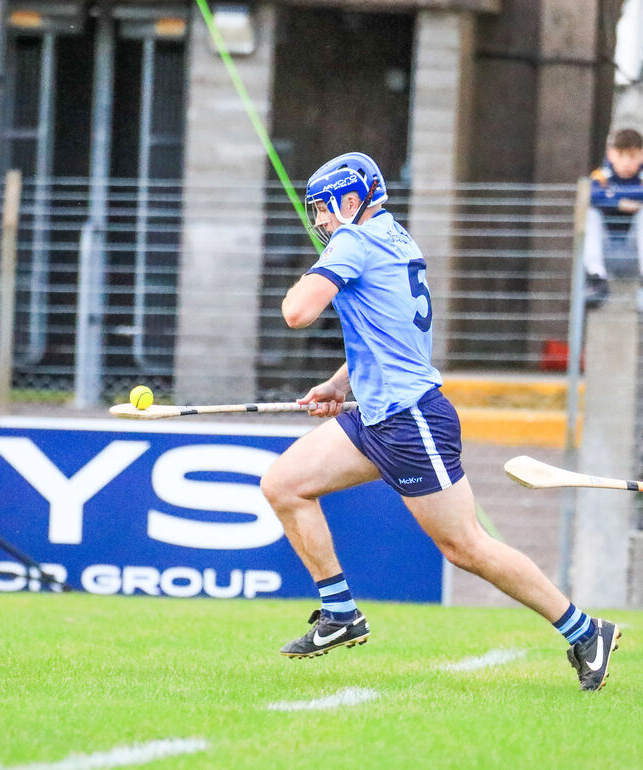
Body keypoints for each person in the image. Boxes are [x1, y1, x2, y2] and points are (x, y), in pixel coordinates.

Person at [259, 151, 620, 691]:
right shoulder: (392, 235)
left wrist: (315, 270)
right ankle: (340, 615)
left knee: (466, 547)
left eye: (324, 209)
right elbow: (385, 332)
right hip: (376, 415)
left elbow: (296, 313)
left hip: (410, 422)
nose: (321, 222)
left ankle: (584, 630)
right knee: (284, 485)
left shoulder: (354, 241)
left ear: (351, 199)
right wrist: (340, 385)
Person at [583, 128, 643, 308]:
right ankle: (596, 277)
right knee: (590, 213)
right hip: (605, 250)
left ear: (642, 155)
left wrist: (610, 196)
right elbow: (590, 193)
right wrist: (619, 203)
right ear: (611, 155)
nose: (627, 162)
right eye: (621, 155)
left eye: (632, 156)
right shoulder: (602, 175)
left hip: (634, 250)